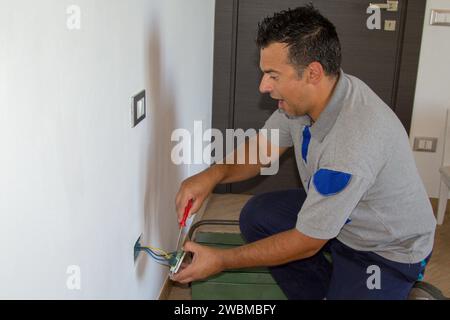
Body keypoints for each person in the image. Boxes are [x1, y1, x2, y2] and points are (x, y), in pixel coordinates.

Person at [171, 5, 436, 299]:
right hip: (341, 220)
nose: (263, 86)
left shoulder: (351, 144)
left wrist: (222, 260)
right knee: (258, 215)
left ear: (312, 73)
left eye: (273, 75)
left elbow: (306, 241)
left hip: (385, 248)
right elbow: (261, 150)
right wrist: (213, 175)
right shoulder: (312, 99)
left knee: (306, 243)